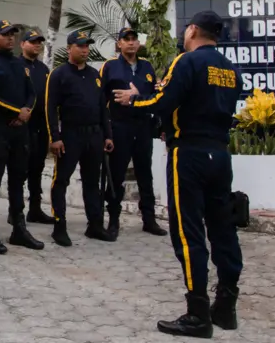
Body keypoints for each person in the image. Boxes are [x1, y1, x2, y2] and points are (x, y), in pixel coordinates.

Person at [112, 11, 243, 338]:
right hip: (220, 154)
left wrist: (133, 100)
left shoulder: (187, 62)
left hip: (189, 154)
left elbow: (162, 101)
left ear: (193, 30)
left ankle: (198, 313)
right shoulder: (229, 69)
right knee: (223, 227)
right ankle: (226, 306)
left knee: (187, 232)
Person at [0, 20, 44, 253]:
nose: (10, 38)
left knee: (18, 180)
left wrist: (26, 112)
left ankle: (19, 229)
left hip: (19, 132)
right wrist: (15, 112)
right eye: (5, 35)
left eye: (12, 35)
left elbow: (31, 93)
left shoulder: (19, 64)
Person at [46, 31, 115, 245]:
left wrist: (108, 135)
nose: (85, 50)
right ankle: (59, 226)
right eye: (80, 46)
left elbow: (103, 108)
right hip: (70, 135)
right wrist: (54, 137)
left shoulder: (95, 75)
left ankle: (94, 225)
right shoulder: (59, 74)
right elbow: (50, 108)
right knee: (61, 180)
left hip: (94, 135)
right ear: (69, 48)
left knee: (92, 181)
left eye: (87, 46)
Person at [100, 26, 167, 238]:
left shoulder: (147, 67)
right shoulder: (110, 67)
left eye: (134, 39)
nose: (131, 42)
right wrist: (105, 131)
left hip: (143, 128)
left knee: (145, 175)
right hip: (119, 127)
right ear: (119, 44)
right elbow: (100, 100)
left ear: (138, 43)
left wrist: (138, 96)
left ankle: (149, 219)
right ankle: (113, 219)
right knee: (116, 175)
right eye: (126, 39)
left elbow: (155, 97)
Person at [20, 29, 54, 225]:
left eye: (39, 42)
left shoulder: (43, 69)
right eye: (32, 42)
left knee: (37, 168)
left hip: (40, 126)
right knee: (20, 169)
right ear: (23, 44)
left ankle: (35, 209)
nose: (37, 45)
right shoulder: (16, 65)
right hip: (21, 125)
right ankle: (16, 210)